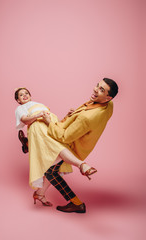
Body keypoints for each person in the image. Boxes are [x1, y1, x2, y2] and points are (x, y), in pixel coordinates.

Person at [40, 78, 118, 213]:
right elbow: (87, 115)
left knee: (50, 172)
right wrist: (74, 115)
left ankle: (77, 203)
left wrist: (49, 123)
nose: (95, 89)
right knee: (52, 170)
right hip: (81, 141)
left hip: (70, 147)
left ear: (108, 97)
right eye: (97, 86)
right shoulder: (109, 105)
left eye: (101, 90)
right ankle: (40, 194)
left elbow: (64, 136)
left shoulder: (87, 118)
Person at [15, 88, 97, 209]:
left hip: (50, 128)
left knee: (52, 170)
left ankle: (40, 194)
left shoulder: (39, 105)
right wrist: (38, 115)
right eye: (21, 95)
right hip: (38, 129)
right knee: (58, 148)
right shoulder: (20, 108)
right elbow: (26, 120)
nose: (25, 95)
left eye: (26, 93)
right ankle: (82, 165)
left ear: (31, 95)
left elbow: (54, 122)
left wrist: (67, 117)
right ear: (18, 100)